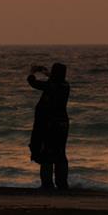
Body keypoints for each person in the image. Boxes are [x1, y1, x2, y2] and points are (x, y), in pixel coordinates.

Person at [27, 62, 70, 190]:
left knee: (46, 154)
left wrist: (32, 72)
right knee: (60, 154)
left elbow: (33, 82)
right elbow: (55, 80)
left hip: (49, 124)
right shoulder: (65, 85)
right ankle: (62, 183)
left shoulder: (51, 86)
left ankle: (47, 184)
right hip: (63, 124)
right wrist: (46, 72)